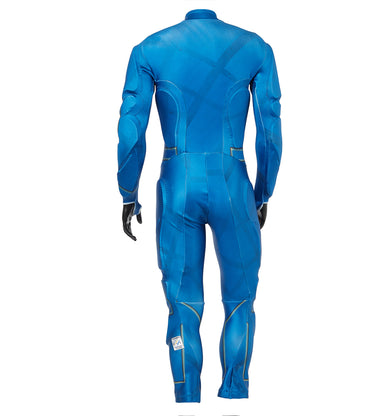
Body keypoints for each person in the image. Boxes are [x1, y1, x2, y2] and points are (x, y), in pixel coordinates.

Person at [117, 9, 282, 402]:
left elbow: (131, 133)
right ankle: (235, 393)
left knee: (183, 304)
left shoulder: (149, 49)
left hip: (178, 185)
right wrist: (262, 193)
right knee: (241, 301)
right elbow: (270, 133)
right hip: (233, 184)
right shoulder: (255, 48)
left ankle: (187, 397)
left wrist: (128, 193)